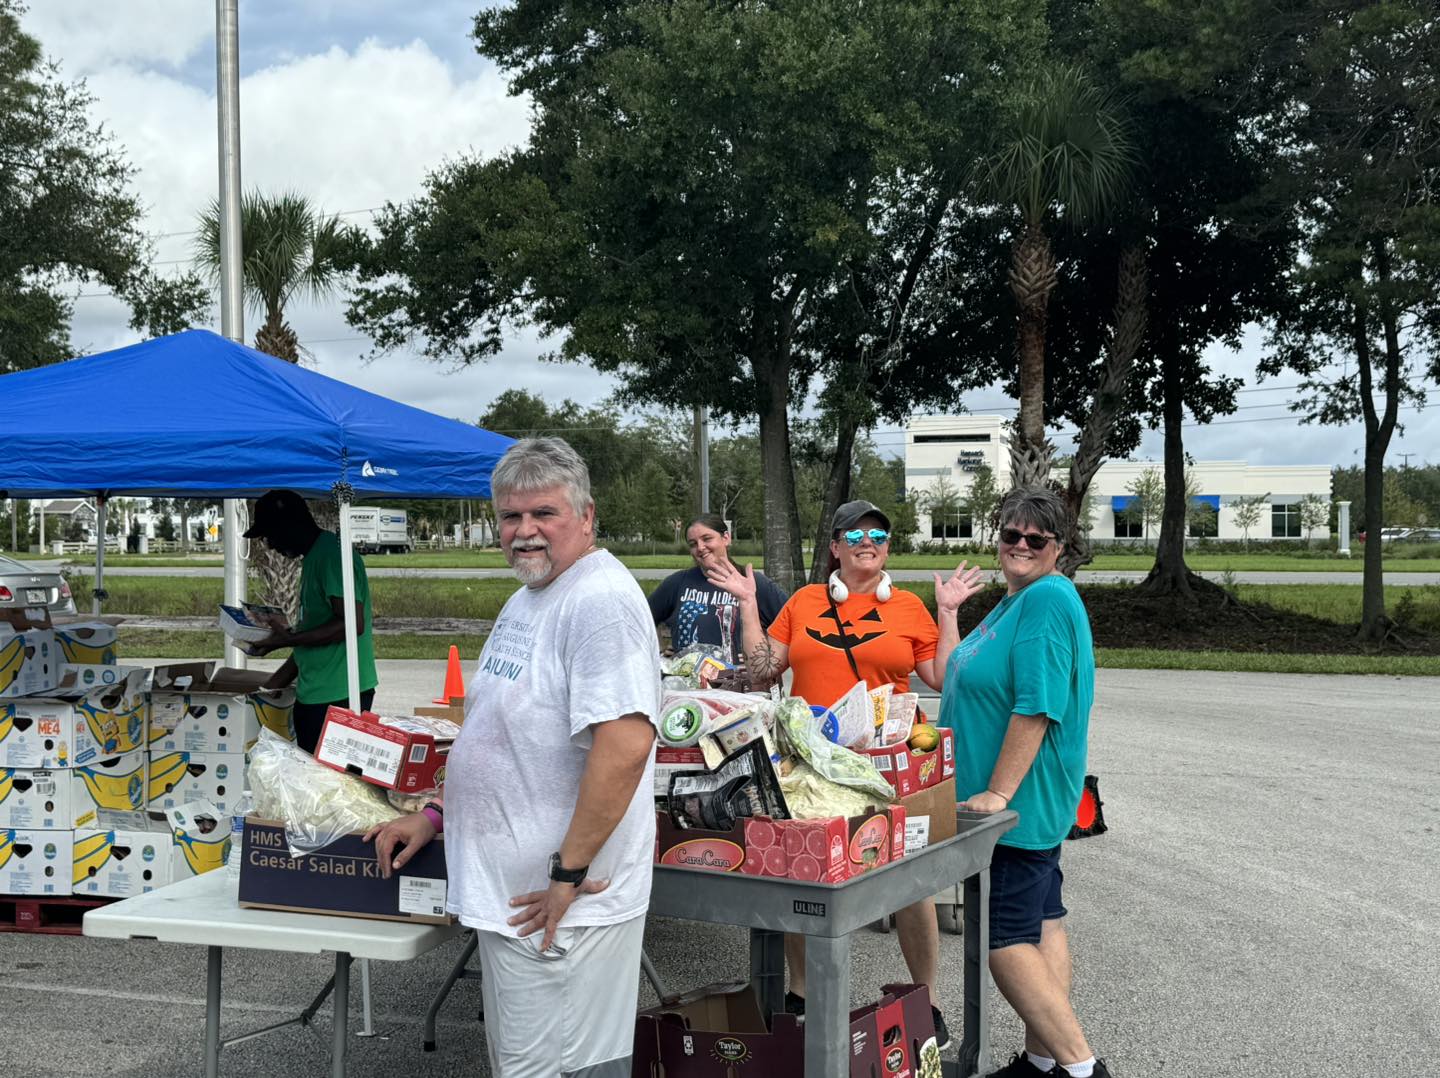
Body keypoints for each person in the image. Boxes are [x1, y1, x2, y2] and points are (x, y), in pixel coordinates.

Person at [365, 437, 660, 1078]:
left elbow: (626, 744)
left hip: (557, 903)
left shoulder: (599, 602)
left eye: (543, 514)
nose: (524, 532)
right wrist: (437, 813)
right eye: (510, 516)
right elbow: (497, 730)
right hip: (522, 898)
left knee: (554, 1068)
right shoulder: (533, 595)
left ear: (586, 516)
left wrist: (568, 873)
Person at [707, 498, 983, 1050]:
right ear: (834, 547)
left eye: (878, 535)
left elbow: (942, 678)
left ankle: (922, 1000)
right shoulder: (806, 602)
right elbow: (763, 672)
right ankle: (802, 997)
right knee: (801, 875)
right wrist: (746, 605)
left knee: (911, 885)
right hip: (812, 768)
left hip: (890, 768)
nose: (866, 543)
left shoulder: (907, 607)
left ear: (887, 548)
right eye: (853, 535)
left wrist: (948, 612)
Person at [938, 487, 1112, 1078]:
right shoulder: (1015, 600)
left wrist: (998, 794)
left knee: (1005, 941)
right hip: (1026, 802)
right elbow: (960, 673)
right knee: (1043, 925)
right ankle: (1043, 1063)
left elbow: (1036, 706)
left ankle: (1082, 1069)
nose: (1020, 545)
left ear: (1058, 547)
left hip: (1018, 805)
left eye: (1035, 538)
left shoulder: (1045, 601)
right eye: (1011, 534)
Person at [245, 490, 378, 753]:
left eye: (270, 534)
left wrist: (289, 639)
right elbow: (312, 640)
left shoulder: (331, 556)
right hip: (318, 691)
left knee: (324, 785)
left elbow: (351, 623)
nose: (270, 545)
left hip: (338, 694)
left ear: (290, 525)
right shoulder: (316, 556)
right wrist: (269, 685)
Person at [647, 513, 786, 664]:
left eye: (707, 539)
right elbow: (641, 620)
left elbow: (793, 625)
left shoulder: (752, 583)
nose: (700, 547)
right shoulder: (677, 583)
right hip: (687, 684)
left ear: (726, 538)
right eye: (693, 544)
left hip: (739, 684)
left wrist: (765, 658)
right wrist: (657, 653)